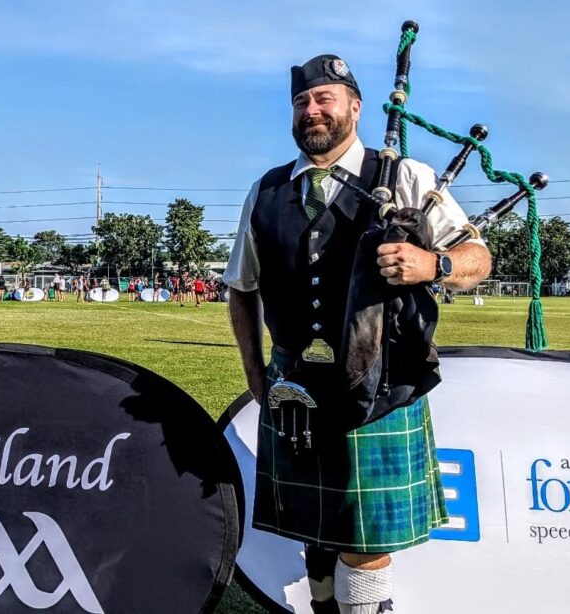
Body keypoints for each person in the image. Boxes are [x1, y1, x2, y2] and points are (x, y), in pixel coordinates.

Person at [223, 54, 492, 614]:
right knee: (315, 538)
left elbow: (479, 258)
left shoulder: (408, 178)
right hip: (295, 387)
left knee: (364, 547)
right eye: (301, 101)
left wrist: (431, 265)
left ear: (354, 107)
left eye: (325, 98)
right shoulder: (267, 191)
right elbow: (241, 287)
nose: (312, 111)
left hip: (381, 388)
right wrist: (256, 378)